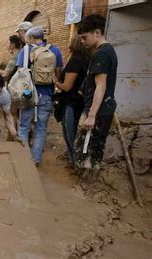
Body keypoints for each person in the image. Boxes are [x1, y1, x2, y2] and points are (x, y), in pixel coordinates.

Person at [74, 14, 118, 181]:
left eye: (85, 37)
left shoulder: (101, 54)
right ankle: (90, 181)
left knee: (85, 148)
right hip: (104, 108)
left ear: (97, 33)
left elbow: (101, 85)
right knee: (95, 147)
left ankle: (85, 183)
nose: (83, 42)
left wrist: (91, 115)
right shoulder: (109, 51)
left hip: (96, 111)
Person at [15, 26, 63, 166]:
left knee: (23, 127)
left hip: (28, 94)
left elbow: (20, 74)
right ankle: (35, 160)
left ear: (30, 38)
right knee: (41, 129)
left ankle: (23, 160)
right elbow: (58, 73)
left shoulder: (25, 51)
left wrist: (25, 93)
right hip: (46, 94)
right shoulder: (55, 50)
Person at [53, 35, 91, 167]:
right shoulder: (88, 60)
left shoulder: (75, 61)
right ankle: (74, 161)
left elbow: (67, 86)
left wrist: (56, 82)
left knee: (70, 133)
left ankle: (75, 162)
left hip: (71, 103)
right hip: (80, 103)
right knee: (74, 133)